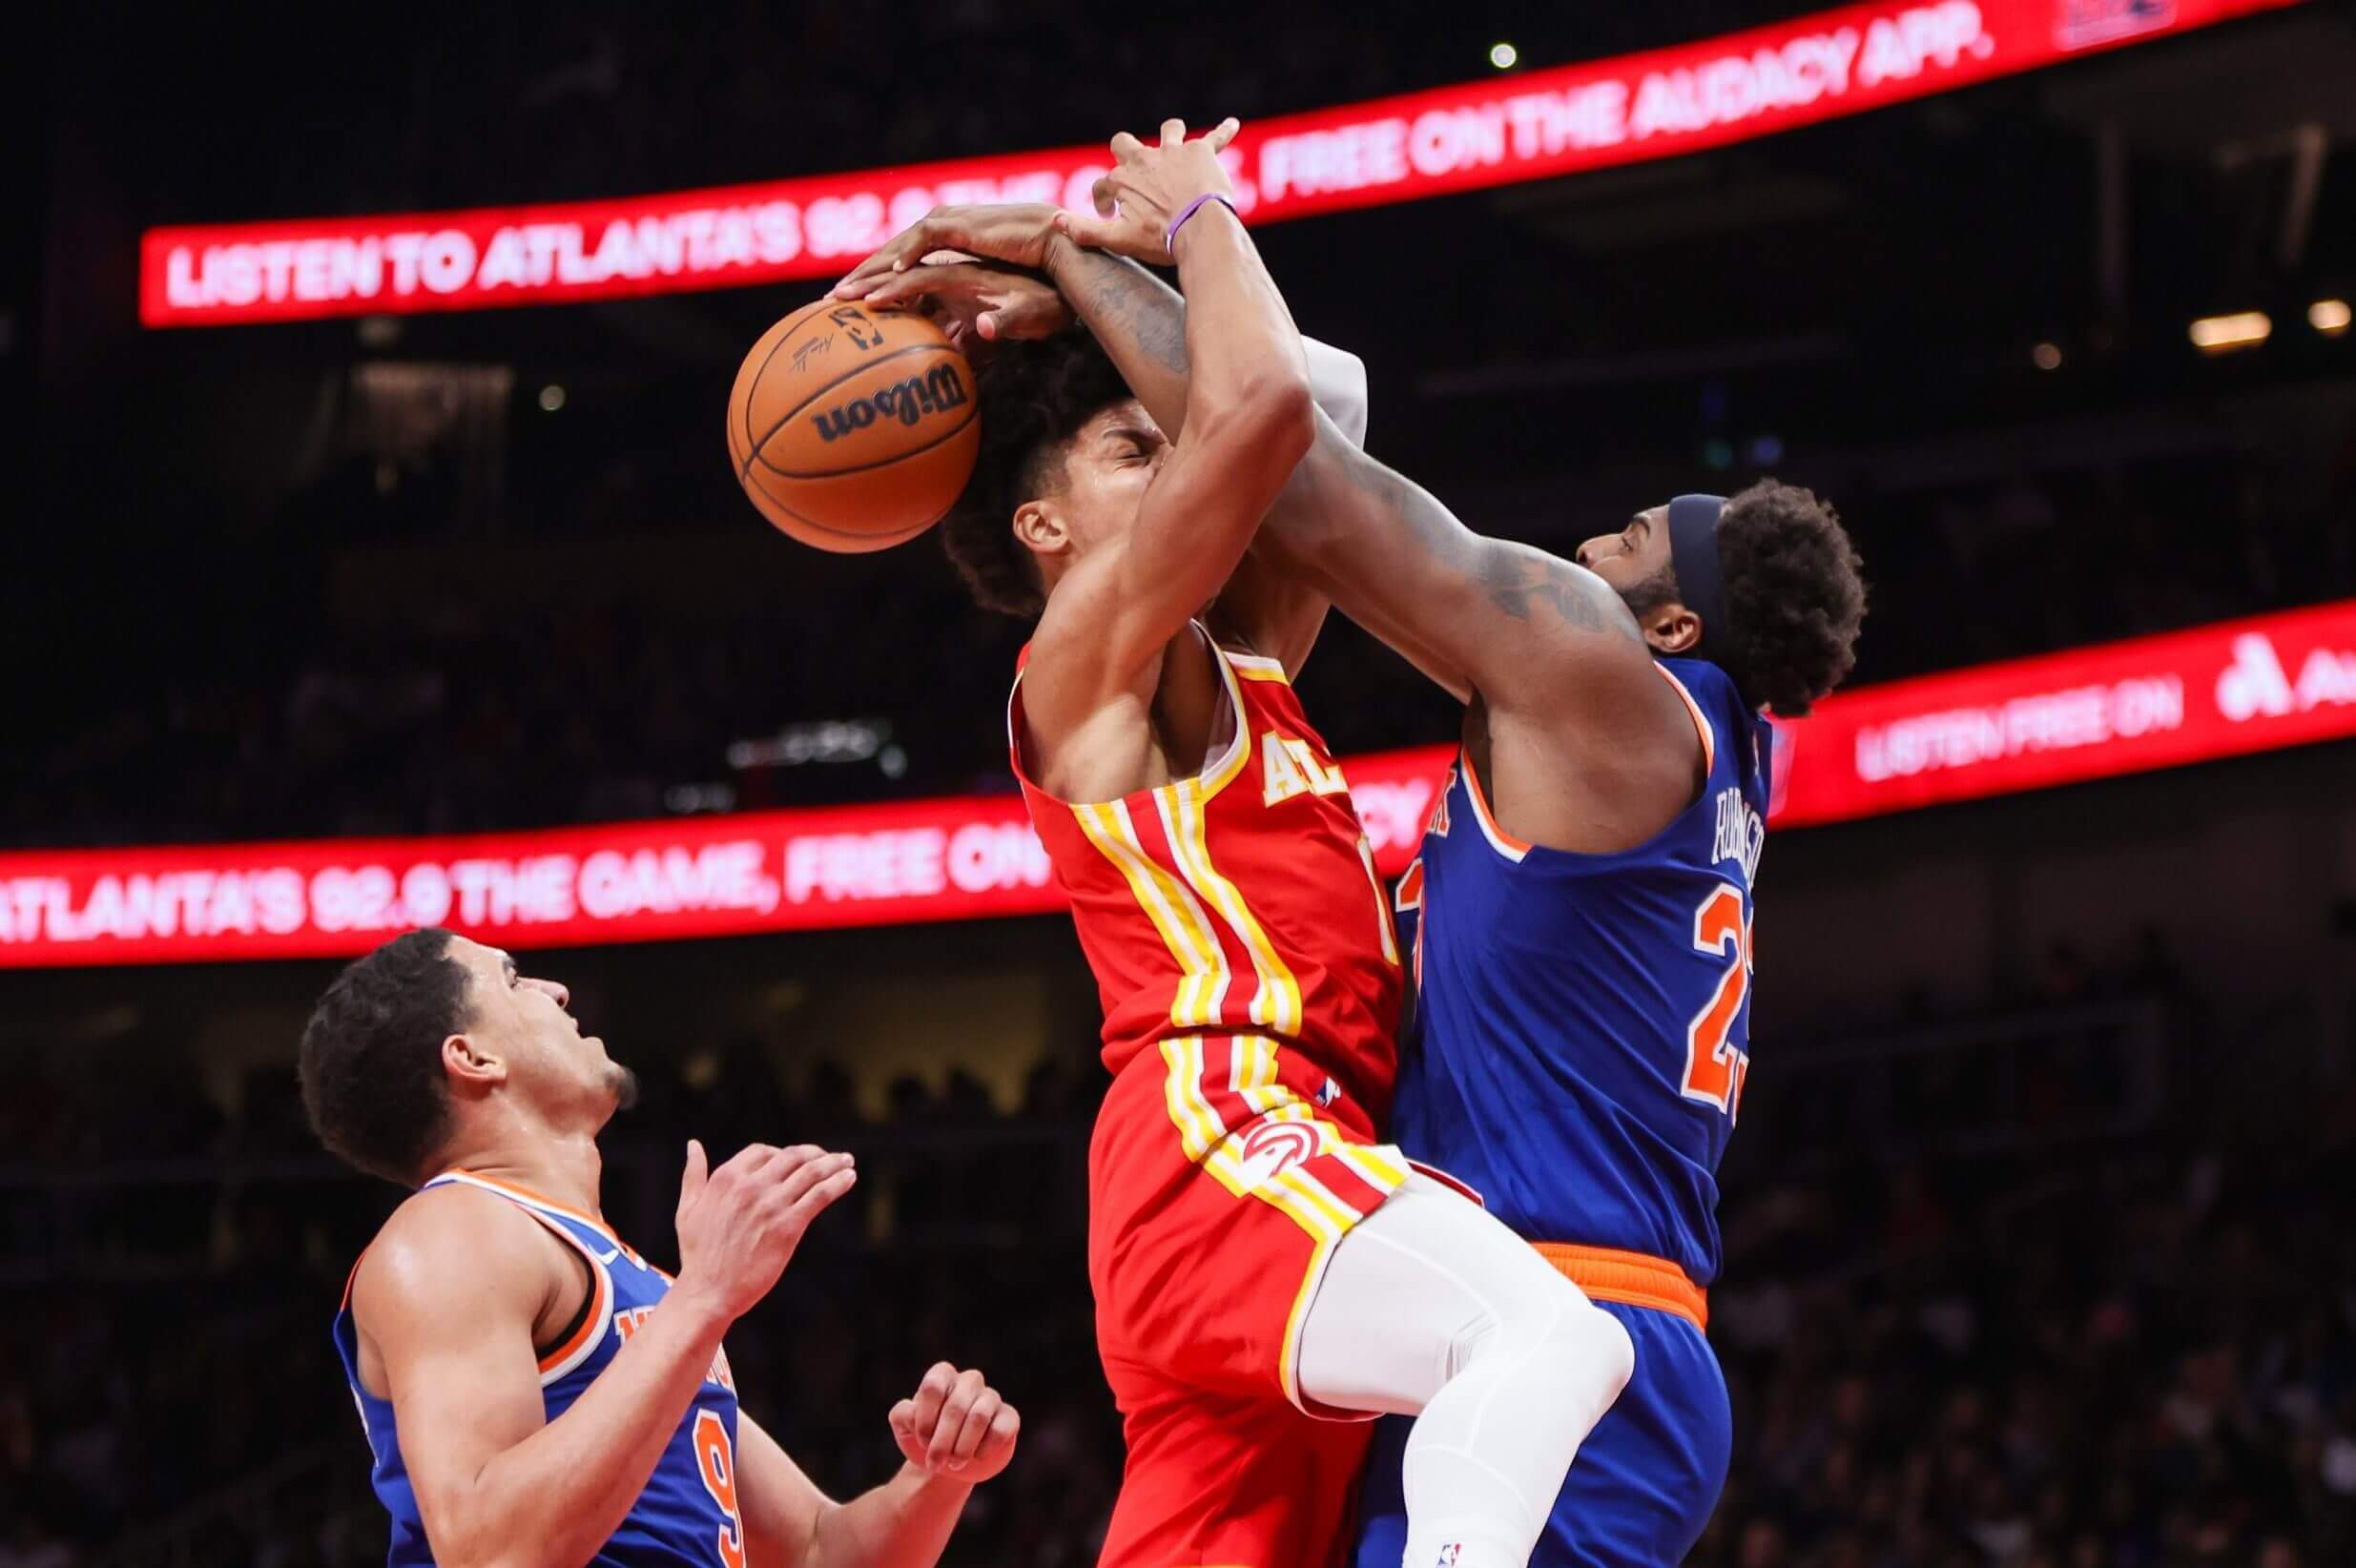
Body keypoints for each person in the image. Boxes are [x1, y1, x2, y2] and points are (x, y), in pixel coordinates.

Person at [836, 172, 1867, 1565]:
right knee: (1529, 1338)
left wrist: (1106, 260)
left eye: (1616, 549)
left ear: (1674, 618)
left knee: (1505, 1357)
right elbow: (1275, 421)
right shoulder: (1098, 652)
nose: (1570, 552)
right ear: (1041, 529)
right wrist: (1097, 278)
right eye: (1134, 452)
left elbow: (1297, 421)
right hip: (1247, 1144)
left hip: (1352, 1200)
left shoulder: (1508, 681)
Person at [298, 926, 1021, 1568]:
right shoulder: (451, 1232)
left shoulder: (636, 1286)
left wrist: (941, 1475)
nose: (556, 988)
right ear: (473, 1058)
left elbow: (815, 1550)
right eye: (514, 979)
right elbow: (493, 1553)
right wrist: (706, 1295)